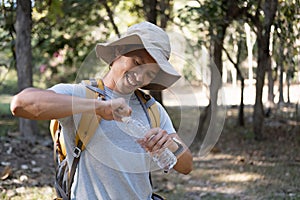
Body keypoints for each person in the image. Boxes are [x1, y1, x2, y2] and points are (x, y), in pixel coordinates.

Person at [10, 21, 193, 200]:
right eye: (137, 62)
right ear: (118, 52)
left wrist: (169, 144)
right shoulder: (81, 95)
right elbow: (21, 104)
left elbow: (186, 166)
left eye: (149, 74)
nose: (139, 77)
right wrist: (98, 107)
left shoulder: (152, 109)